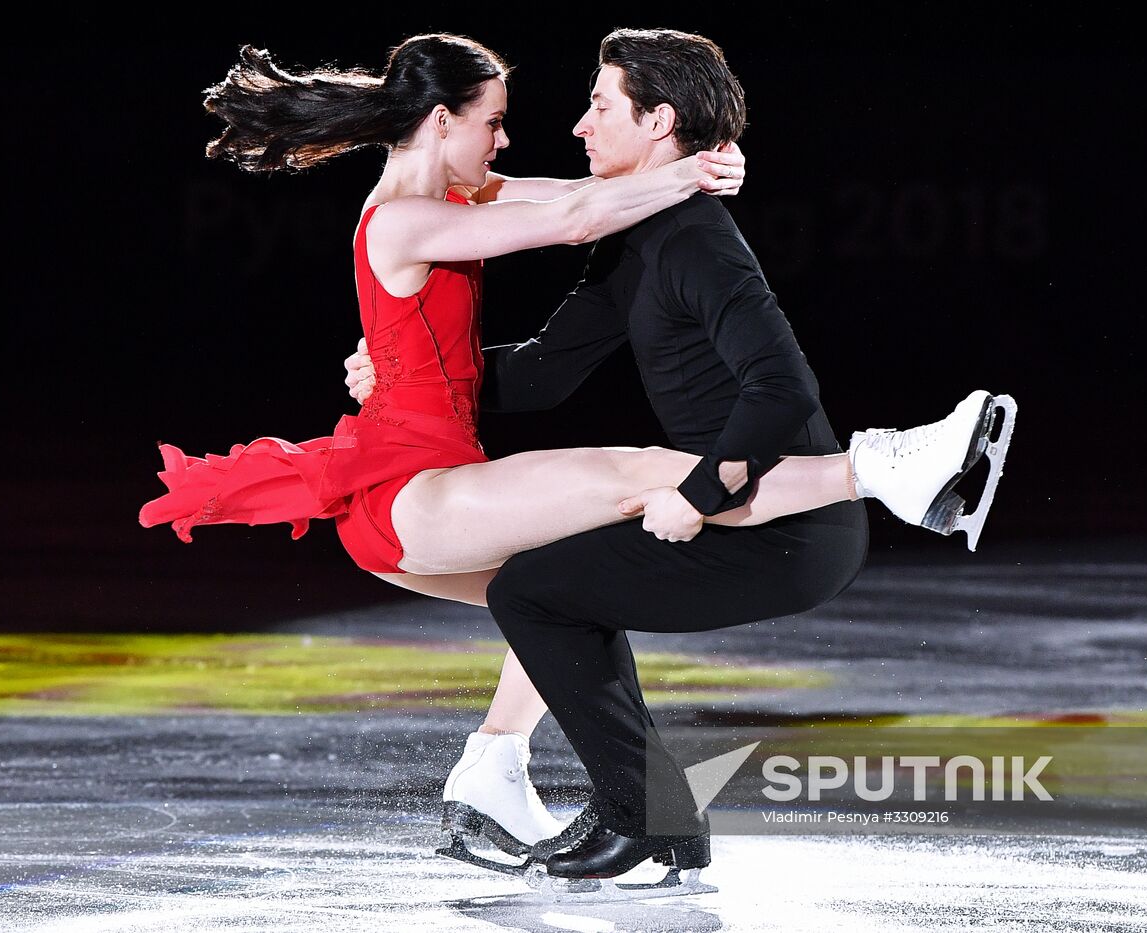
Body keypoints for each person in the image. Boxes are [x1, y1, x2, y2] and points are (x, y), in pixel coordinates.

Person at [140, 33, 1011, 876]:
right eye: (493, 121)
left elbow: (571, 210)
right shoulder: (404, 217)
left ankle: (508, 775)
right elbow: (573, 214)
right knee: (632, 475)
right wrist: (686, 173)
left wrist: (696, 171)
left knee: (564, 587)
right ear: (442, 122)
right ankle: (881, 466)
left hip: (419, 475)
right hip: (408, 487)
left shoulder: (460, 198)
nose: (509, 137)